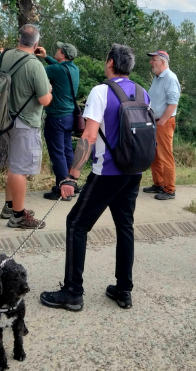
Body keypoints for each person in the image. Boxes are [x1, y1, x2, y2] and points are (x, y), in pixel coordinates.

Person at [40, 44, 149, 311]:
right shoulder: (142, 92)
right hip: (133, 171)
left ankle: (72, 292)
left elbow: (88, 137)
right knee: (125, 226)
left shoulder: (102, 92)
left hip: (107, 172)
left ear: (110, 62)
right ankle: (124, 290)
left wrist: (71, 176)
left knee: (76, 224)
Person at [0, 24, 52, 229]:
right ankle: (18, 216)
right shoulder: (35, 65)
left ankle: (10, 206)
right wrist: (50, 90)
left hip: (5, 119)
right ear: (36, 44)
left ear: (18, 39)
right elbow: (45, 99)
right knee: (20, 169)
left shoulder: (3, 57)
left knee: (14, 164)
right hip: (25, 122)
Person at [35, 42, 80, 201]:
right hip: (68, 117)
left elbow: (37, 71)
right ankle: (72, 183)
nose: (57, 50)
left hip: (56, 118)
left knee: (57, 153)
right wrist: (46, 56)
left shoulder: (57, 70)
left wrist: (31, 56)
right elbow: (59, 67)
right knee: (67, 150)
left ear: (63, 55)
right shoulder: (73, 69)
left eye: (59, 50)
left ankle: (62, 188)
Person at [143, 50, 181, 200]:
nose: (151, 62)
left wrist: (162, 121)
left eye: (154, 60)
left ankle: (170, 189)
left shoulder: (170, 78)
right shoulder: (158, 77)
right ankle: (158, 184)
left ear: (163, 62)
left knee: (165, 155)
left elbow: (173, 103)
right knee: (155, 155)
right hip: (155, 121)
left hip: (163, 122)